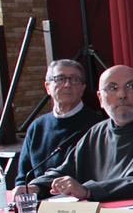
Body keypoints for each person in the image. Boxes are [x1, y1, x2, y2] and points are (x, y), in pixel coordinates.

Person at [27, 64, 133, 201]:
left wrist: (88, 191)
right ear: (100, 98)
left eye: (131, 86)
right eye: (112, 88)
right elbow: (67, 170)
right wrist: (36, 187)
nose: (122, 94)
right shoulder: (97, 132)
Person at [12, 59, 104, 189]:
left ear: (83, 88)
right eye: (60, 79)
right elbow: (23, 177)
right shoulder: (37, 127)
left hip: (81, 197)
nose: (67, 85)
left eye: (75, 79)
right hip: (38, 197)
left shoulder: (98, 125)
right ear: (47, 87)